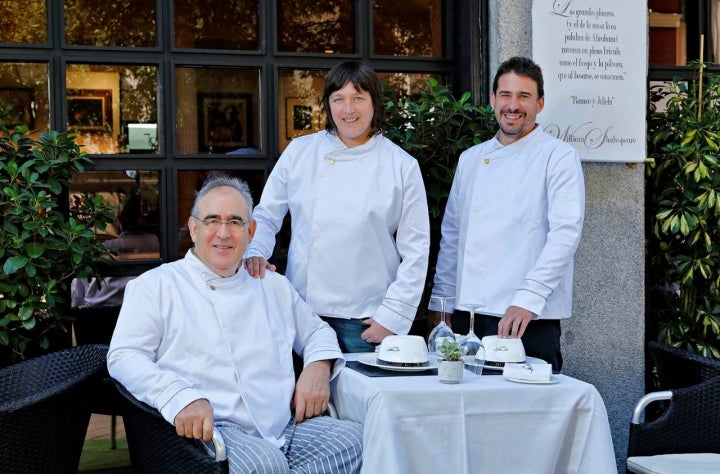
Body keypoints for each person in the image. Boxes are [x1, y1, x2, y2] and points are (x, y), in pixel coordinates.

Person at [107, 175, 363, 473]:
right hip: (210, 431)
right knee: (265, 464)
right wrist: (177, 397)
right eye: (212, 220)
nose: (223, 233)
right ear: (193, 228)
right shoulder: (156, 286)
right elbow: (124, 356)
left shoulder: (272, 285)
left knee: (353, 441)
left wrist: (318, 367)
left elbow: (318, 331)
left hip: (283, 429)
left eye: (235, 222)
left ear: (251, 231)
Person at [243, 61, 430, 353]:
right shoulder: (300, 152)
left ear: (374, 104)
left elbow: (416, 249)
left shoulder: (401, 166)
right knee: (303, 400)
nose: (348, 109)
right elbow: (266, 216)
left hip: (365, 321)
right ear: (328, 105)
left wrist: (393, 317)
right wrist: (255, 251)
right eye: (338, 99)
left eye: (358, 98)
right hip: (304, 314)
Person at [430, 56, 585, 371]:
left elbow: (565, 235)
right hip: (468, 316)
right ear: (492, 100)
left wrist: (529, 298)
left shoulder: (558, 157)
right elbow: (453, 236)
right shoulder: (471, 159)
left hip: (527, 318)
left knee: (531, 414)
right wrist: (440, 304)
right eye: (506, 95)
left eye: (524, 96)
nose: (513, 105)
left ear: (540, 104)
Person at [71, 189, 160, 308]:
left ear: (120, 218)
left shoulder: (104, 247)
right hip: (142, 311)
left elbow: (77, 296)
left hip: (96, 316)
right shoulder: (156, 244)